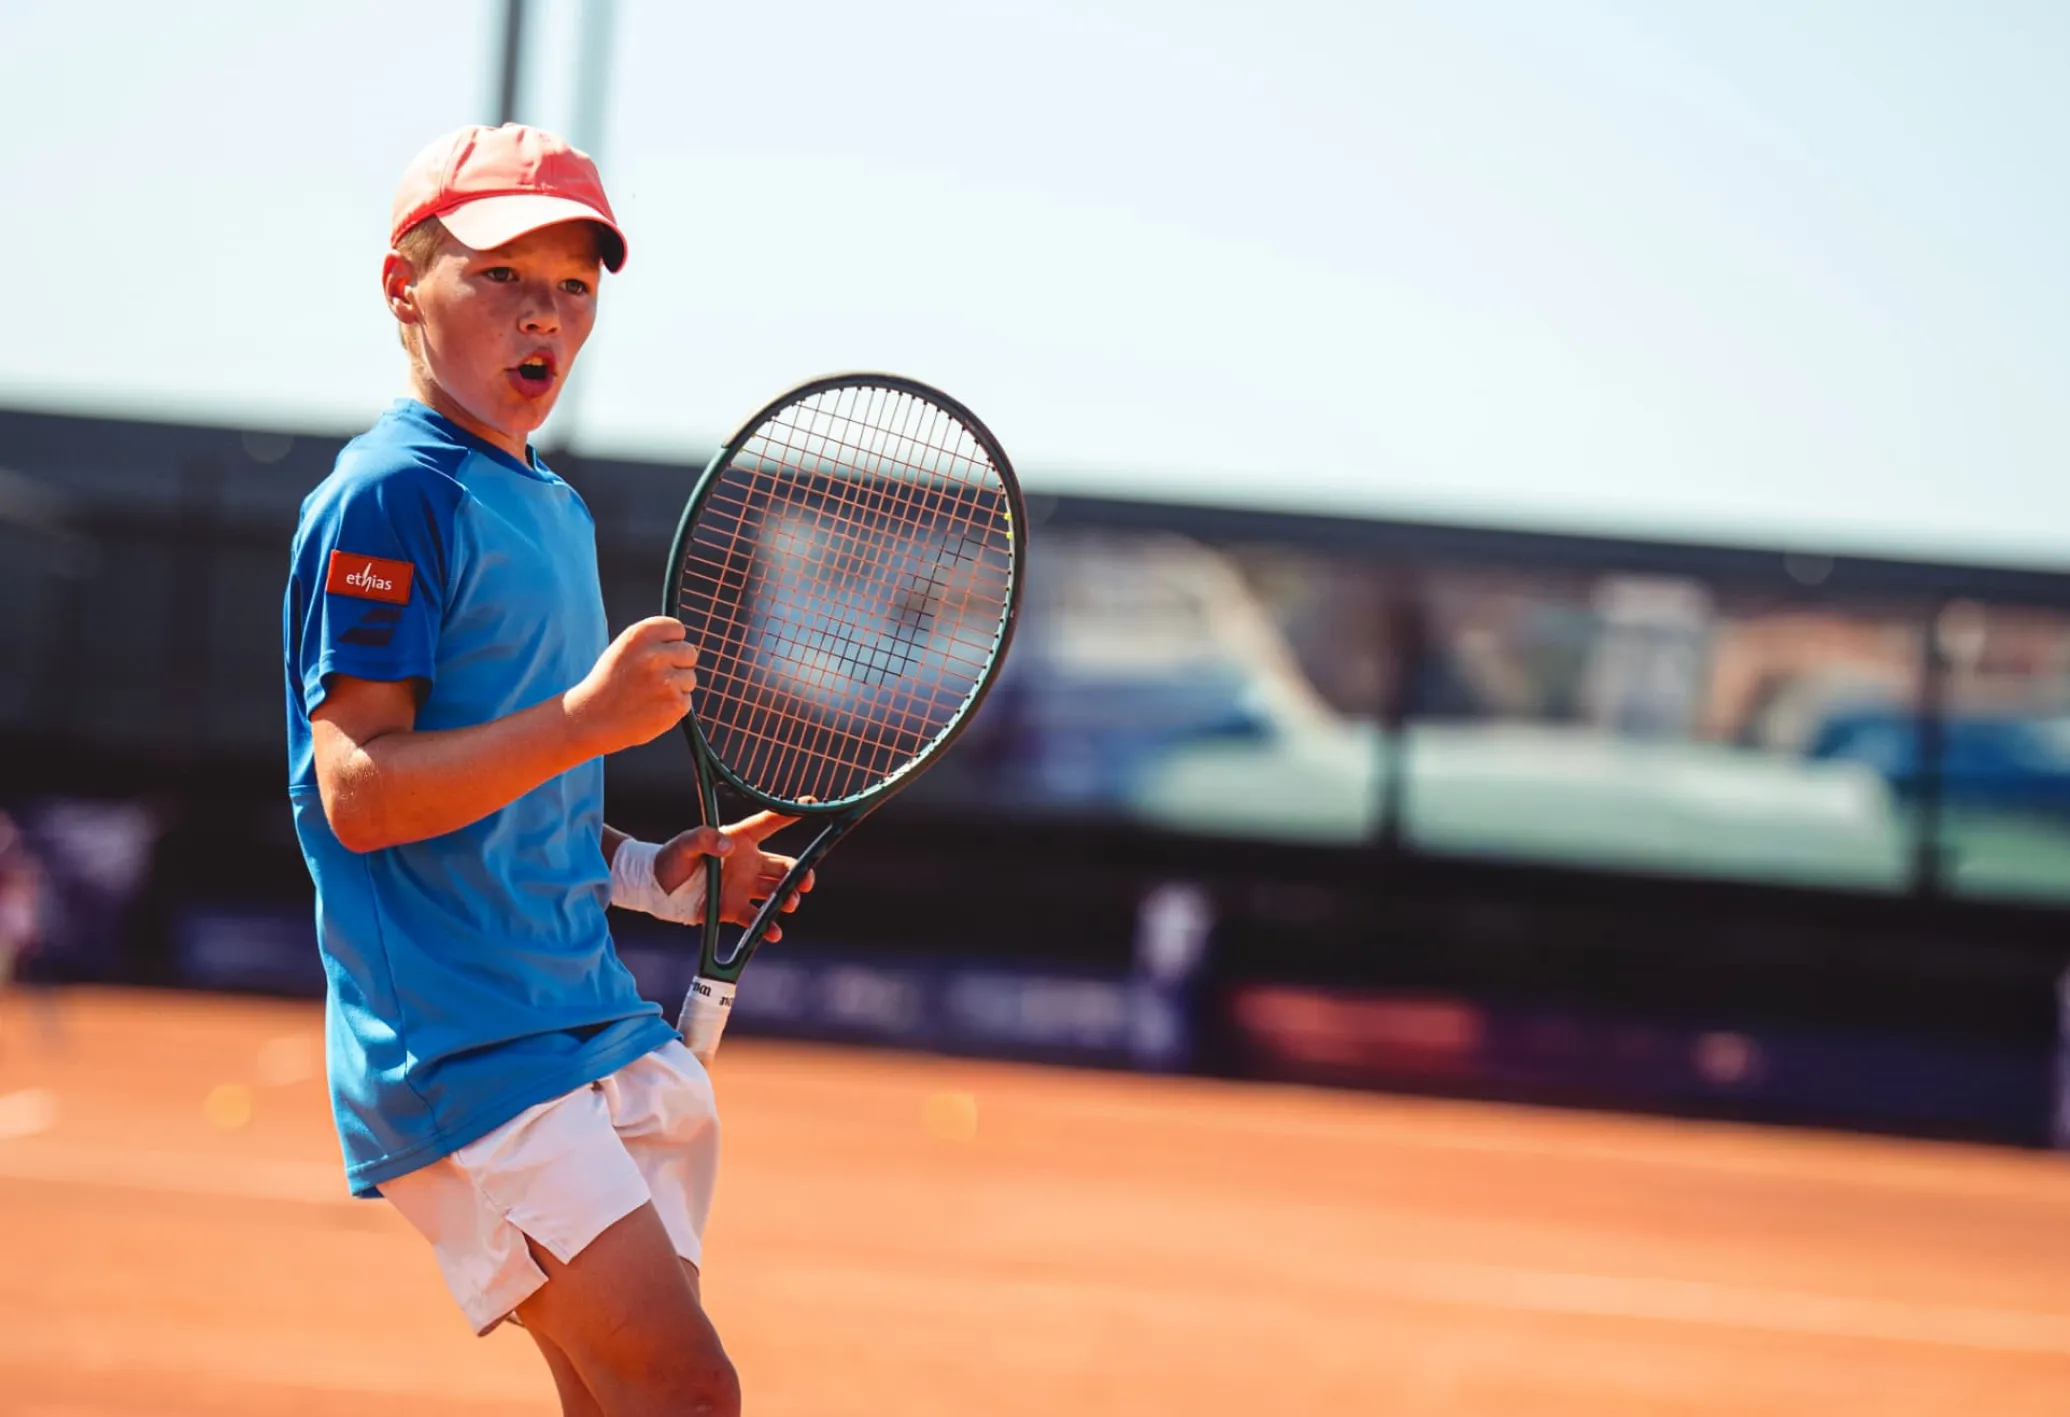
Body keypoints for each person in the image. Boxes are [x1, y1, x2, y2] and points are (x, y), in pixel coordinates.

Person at [282, 122, 807, 1417]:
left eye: (574, 286)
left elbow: (523, 807)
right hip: (465, 1050)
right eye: (502, 275)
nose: (547, 317)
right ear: (405, 288)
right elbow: (359, 792)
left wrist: (659, 876)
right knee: (685, 1386)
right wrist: (584, 719)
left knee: (621, 1401)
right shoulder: (388, 499)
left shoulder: (550, 507)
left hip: (584, 1026)